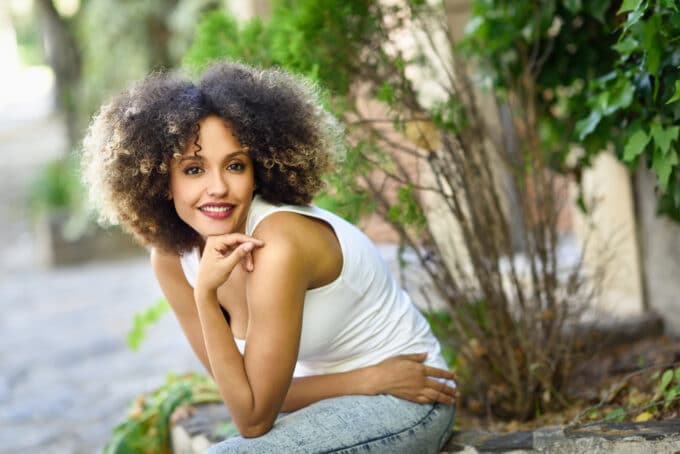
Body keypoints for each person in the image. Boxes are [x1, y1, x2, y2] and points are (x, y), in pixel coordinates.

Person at [82, 61, 457, 453]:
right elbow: (242, 400)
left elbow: (254, 418)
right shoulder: (172, 261)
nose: (218, 187)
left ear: (257, 171)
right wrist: (365, 379)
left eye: (235, 165)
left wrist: (206, 299)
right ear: (160, 179)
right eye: (194, 169)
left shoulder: (279, 242)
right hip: (356, 392)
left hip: (409, 396)